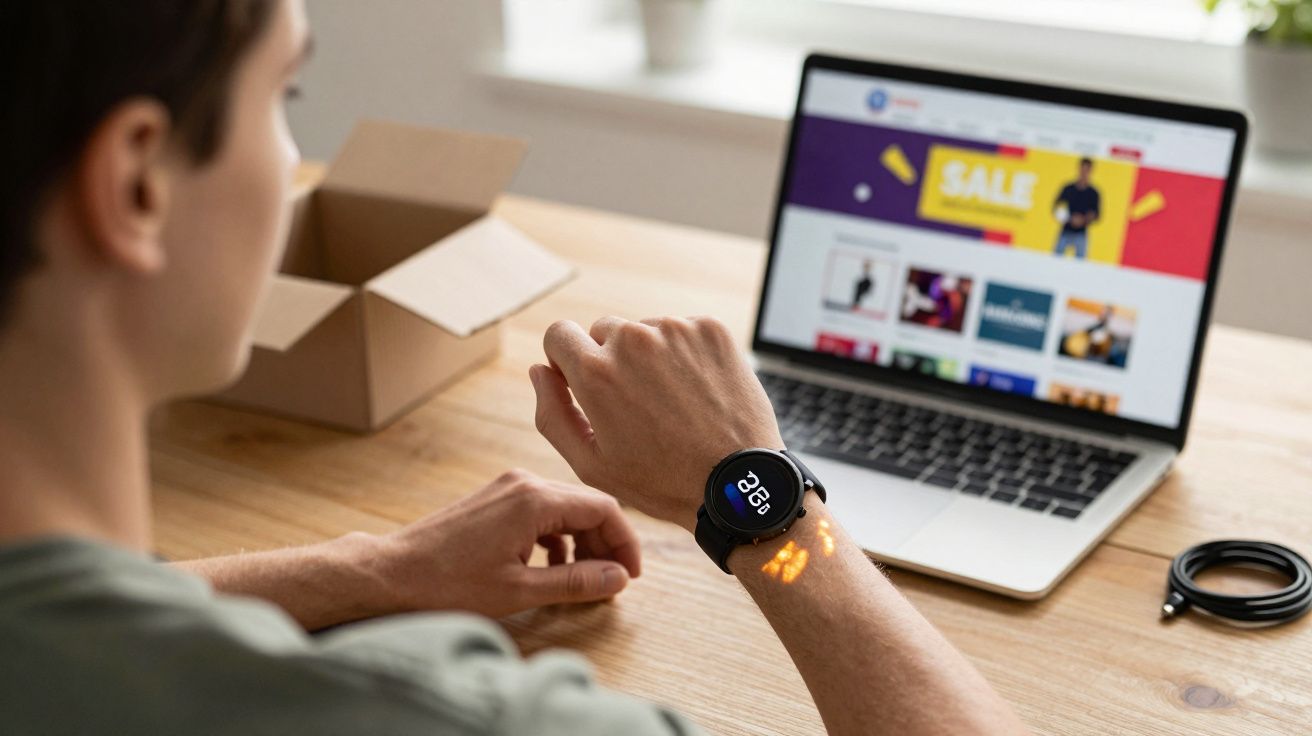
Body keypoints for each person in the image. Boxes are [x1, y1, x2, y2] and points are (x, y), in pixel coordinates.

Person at [0, 2, 1028, 734]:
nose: (291, 158)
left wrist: (371, 570)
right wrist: (763, 503)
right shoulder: (451, 713)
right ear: (136, 181)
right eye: (287, 92)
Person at [1052, 157, 1101, 259]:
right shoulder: (1068, 188)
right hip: (1065, 231)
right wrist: (1069, 218)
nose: (1084, 173)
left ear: (1091, 171)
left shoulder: (1093, 193)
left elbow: (1096, 214)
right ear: (1079, 169)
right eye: (1082, 169)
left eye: (1087, 170)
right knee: (1055, 261)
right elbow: (1056, 207)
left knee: (1079, 266)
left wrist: (1083, 220)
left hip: (1081, 234)